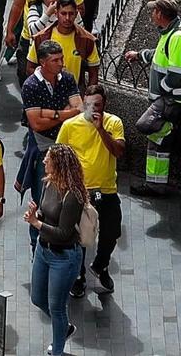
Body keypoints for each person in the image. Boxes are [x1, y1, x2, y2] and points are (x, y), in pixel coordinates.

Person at [55, 81, 123, 296]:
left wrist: (100, 129)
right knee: (81, 236)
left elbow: (118, 151)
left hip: (107, 189)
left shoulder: (113, 123)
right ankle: (79, 276)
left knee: (111, 232)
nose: (93, 108)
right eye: (89, 104)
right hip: (80, 191)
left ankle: (100, 266)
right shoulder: (70, 126)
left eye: (98, 104)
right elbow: (58, 156)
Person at [124, 0, 181, 195]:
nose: (151, 14)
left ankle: (171, 129)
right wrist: (139, 55)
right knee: (156, 142)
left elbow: (175, 75)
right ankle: (154, 184)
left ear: (160, 14)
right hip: (164, 99)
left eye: (153, 11)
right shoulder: (169, 32)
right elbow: (159, 54)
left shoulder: (179, 37)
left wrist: (162, 91)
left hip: (168, 100)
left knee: (147, 127)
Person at [24, 143, 86, 356]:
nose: (43, 161)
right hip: (43, 250)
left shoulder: (73, 195)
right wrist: (37, 215)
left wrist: (36, 223)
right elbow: (45, 212)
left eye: (47, 159)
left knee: (57, 307)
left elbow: (63, 233)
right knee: (37, 298)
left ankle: (57, 350)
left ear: (57, 164)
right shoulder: (49, 183)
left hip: (64, 256)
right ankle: (64, 328)